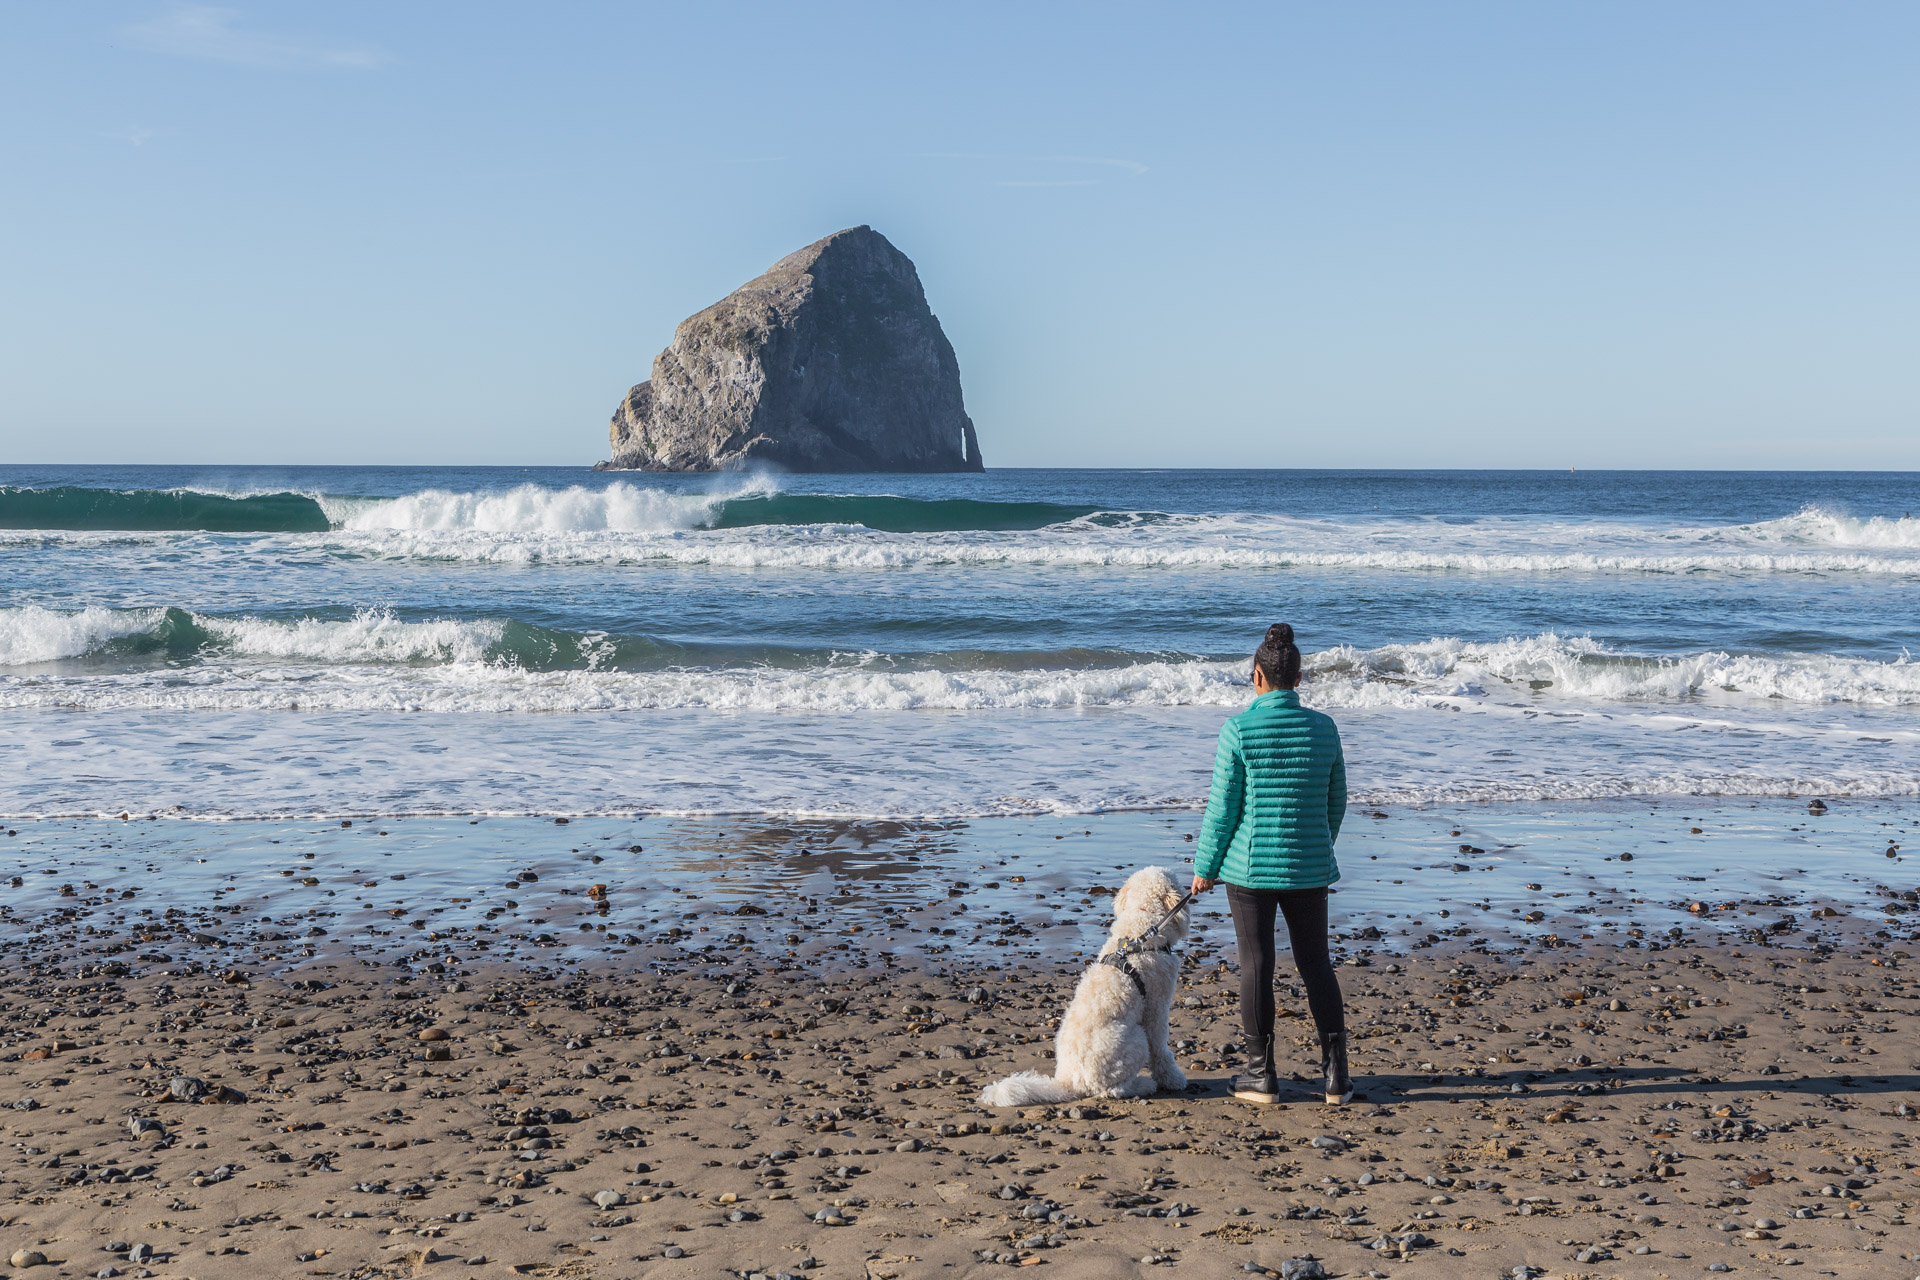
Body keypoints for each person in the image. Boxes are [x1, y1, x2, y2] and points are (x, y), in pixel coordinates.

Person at [1189, 623, 1350, 1105]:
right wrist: (1316, 845)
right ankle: (1336, 1077)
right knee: (1316, 964)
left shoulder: (1238, 729)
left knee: (1256, 964)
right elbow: (1335, 800)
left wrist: (1205, 866)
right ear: (1299, 678)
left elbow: (1223, 808)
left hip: (1249, 869)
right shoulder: (1324, 728)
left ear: (1256, 676)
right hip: (1309, 867)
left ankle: (1262, 1076)